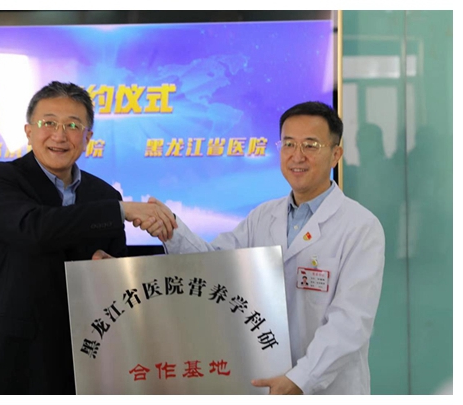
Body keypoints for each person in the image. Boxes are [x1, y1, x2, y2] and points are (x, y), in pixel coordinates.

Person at [136, 101, 385, 394]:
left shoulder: (361, 227)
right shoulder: (263, 216)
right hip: (265, 382)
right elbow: (214, 264)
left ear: (336, 155)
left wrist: (300, 380)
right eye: (288, 144)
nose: (297, 156)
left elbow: (351, 323)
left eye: (310, 145)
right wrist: (171, 229)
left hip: (329, 389)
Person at [0, 81, 176, 394]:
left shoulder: (104, 195)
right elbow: (35, 229)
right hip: (18, 362)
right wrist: (121, 210)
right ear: (28, 131)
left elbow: (117, 281)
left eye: (72, 126)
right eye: (48, 123)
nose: (59, 135)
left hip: (93, 357)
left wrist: (114, 270)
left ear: (87, 138)